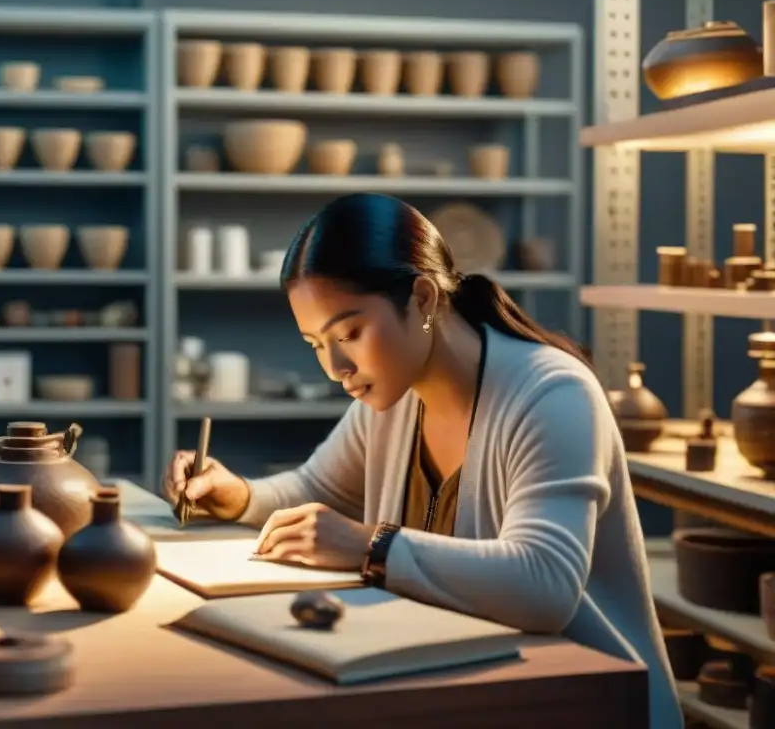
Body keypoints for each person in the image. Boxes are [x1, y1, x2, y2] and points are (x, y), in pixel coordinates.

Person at [163, 192, 682, 729]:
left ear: (424, 298)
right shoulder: (392, 395)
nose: (335, 366)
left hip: (578, 697)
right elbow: (314, 489)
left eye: (349, 334)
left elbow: (544, 585)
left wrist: (372, 546)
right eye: (315, 344)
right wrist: (236, 495)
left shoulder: (552, 394)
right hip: (461, 684)